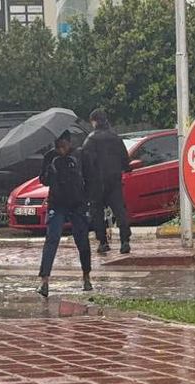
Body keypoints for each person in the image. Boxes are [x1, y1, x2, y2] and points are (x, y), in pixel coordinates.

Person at [37, 131, 93, 298]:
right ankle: (44, 280)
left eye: (63, 146)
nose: (60, 150)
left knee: (82, 240)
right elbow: (43, 180)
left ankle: (86, 275)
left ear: (69, 143)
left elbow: (90, 178)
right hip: (57, 204)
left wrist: (87, 201)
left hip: (77, 204)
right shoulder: (50, 157)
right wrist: (50, 170)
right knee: (52, 239)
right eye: (57, 146)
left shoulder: (80, 155)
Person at [82, 109, 132, 255]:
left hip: (96, 183)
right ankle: (125, 241)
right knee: (120, 211)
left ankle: (103, 242)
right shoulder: (116, 138)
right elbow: (125, 160)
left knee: (97, 212)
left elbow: (86, 163)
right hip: (114, 181)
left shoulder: (90, 140)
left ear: (95, 121)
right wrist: (124, 168)